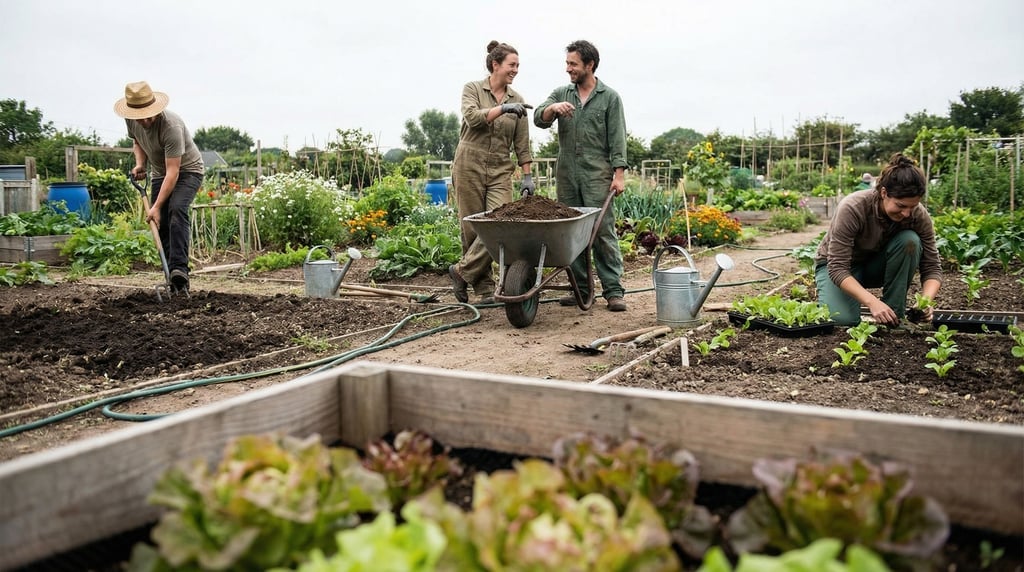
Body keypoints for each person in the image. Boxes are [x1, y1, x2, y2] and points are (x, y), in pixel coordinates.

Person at [534, 40, 628, 312]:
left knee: (602, 231)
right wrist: (553, 109)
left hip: (597, 174)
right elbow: (539, 117)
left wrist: (618, 174)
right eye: (567, 63)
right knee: (572, 232)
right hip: (567, 175)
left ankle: (613, 291)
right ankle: (581, 289)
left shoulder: (609, 97)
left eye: (573, 64)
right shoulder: (562, 93)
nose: (568, 69)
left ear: (590, 65)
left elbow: (618, 139)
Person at [448, 41, 534, 305]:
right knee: (472, 227)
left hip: (499, 167)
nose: (516, 70)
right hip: (469, 163)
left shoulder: (517, 100)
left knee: (501, 224)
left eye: (518, 65)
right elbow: (473, 118)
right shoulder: (473, 88)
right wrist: (502, 109)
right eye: (512, 65)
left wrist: (527, 175)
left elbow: (521, 142)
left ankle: (461, 272)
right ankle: (483, 289)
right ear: (495, 65)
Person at [814, 153, 941, 326]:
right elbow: (837, 268)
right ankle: (841, 298)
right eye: (901, 206)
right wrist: (872, 302)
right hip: (840, 269)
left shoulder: (918, 215)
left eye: (913, 206)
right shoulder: (853, 207)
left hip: (875, 266)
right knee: (841, 320)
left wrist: (925, 302)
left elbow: (932, 266)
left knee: (910, 240)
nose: (907, 213)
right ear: (883, 193)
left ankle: (893, 316)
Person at [114, 81, 204, 293]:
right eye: (140, 116)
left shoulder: (171, 126)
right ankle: (173, 280)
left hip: (188, 171)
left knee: (176, 209)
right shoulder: (132, 119)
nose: (144, 120)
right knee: (161, 220)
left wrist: (155, 206)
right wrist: (140, 164)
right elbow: (137, 141)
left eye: (148, 115)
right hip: (159, 172)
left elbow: (173, 172)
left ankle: (180, 269)